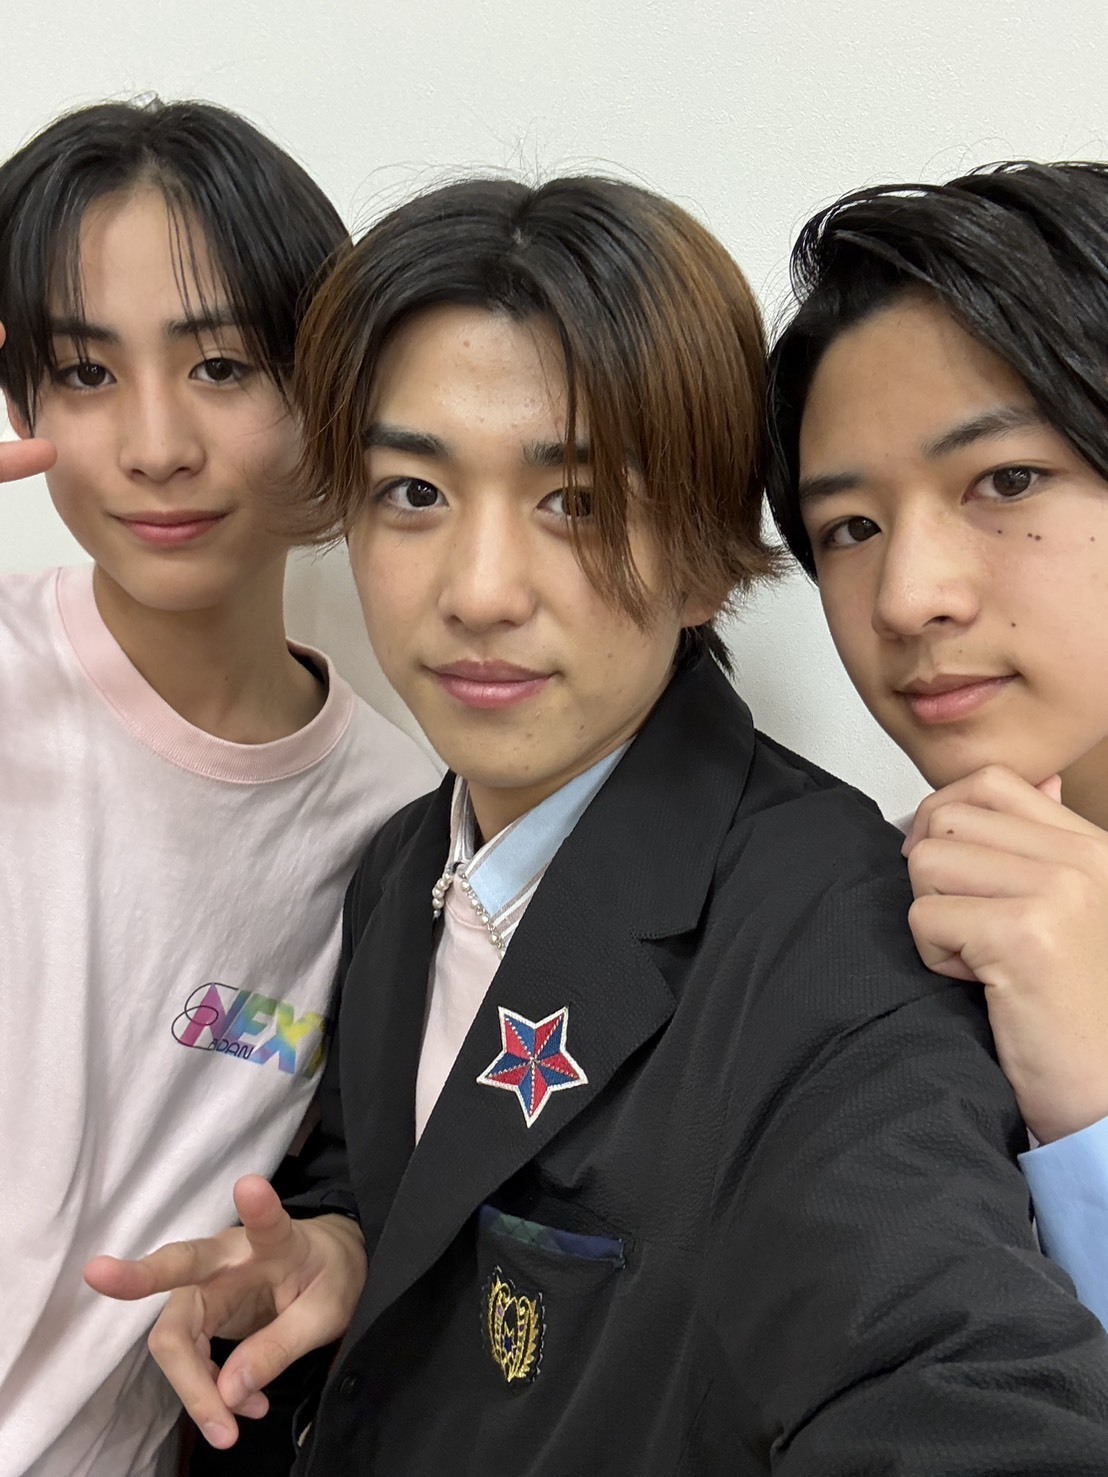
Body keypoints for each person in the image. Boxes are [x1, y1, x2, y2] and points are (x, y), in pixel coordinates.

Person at [91, 175, 1108, 1474]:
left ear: (704, 560)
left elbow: (952, 1381)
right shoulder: (403, 861)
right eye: (414, 493)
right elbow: (398, 1161)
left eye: (572, 500)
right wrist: (342, 1240)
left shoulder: (839, 937)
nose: (479, 591)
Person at [0, 98, 435, 1477]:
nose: (154, 444)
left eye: (223, 365)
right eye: (84, 371)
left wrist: (341, 1242)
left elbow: (360, 1172)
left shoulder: (404, 821)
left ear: (327, 387)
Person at [764, 161, 1108, 1330]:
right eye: (850, 526)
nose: (908, 598)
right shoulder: (860, 924)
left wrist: (1091, 1096)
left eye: (1006, 479)